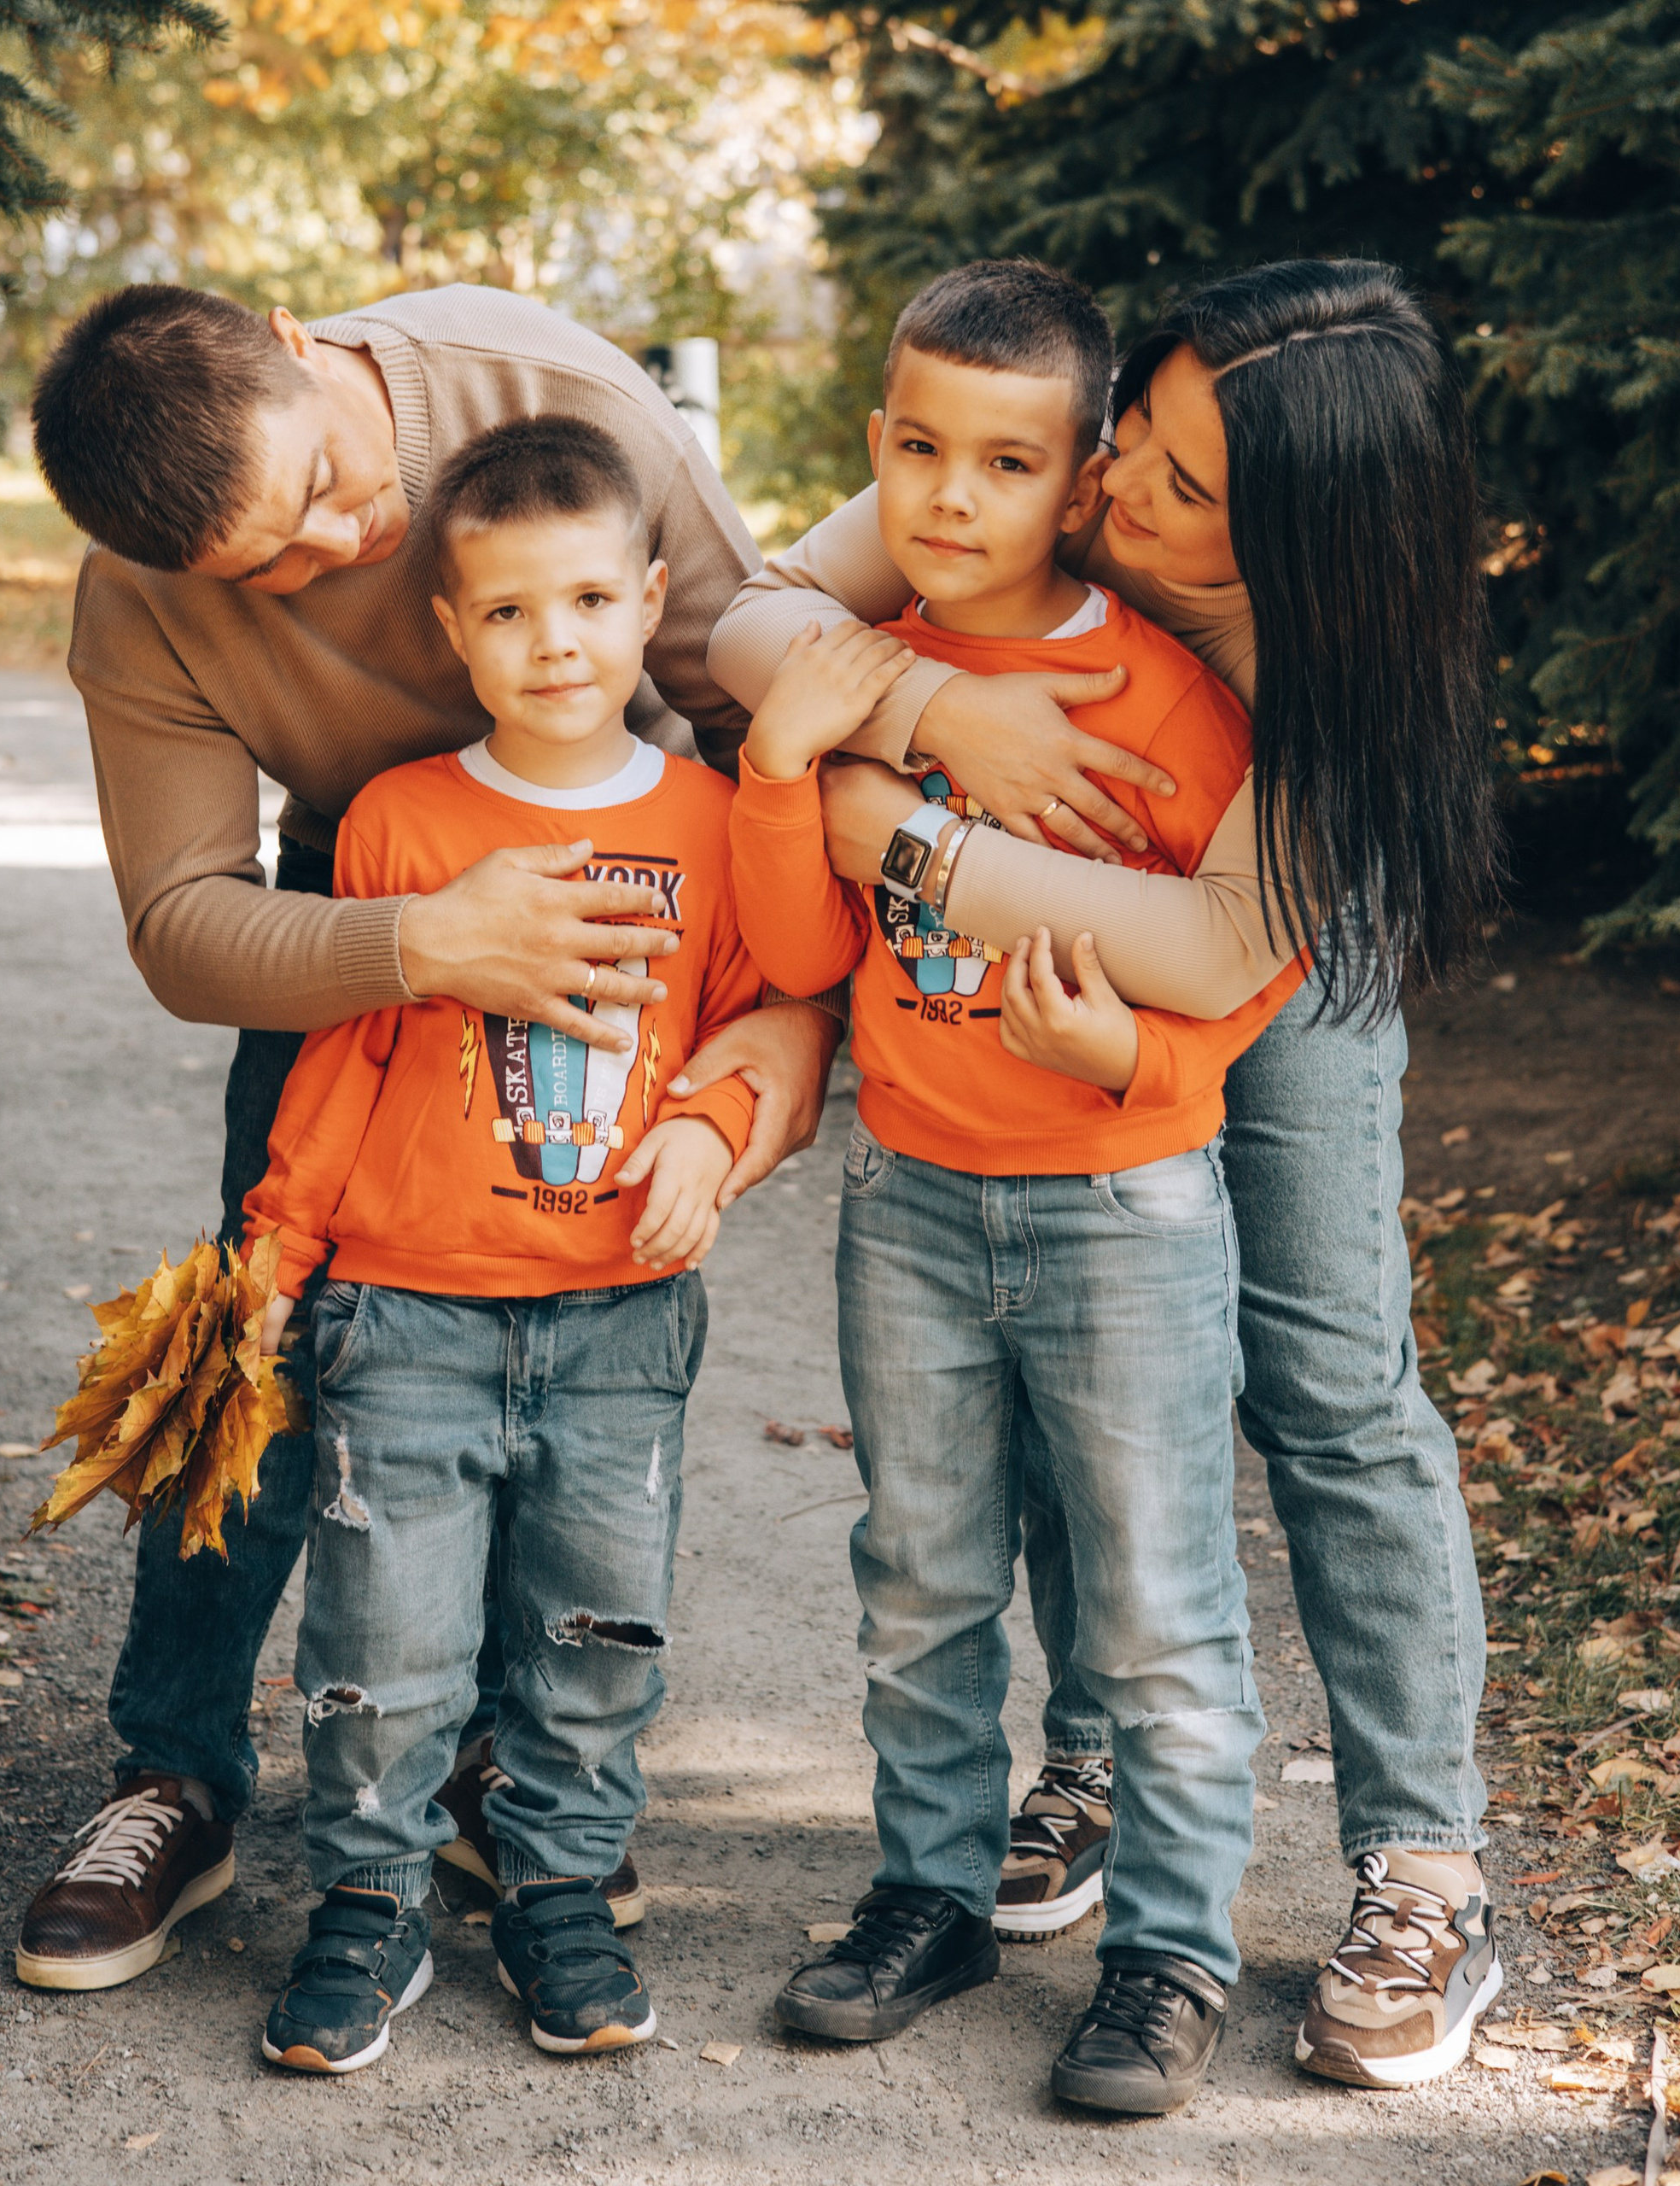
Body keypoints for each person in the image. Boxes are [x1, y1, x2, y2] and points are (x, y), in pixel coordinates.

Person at [709, 257, 1502, 2090]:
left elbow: (1210, 957)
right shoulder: (1051, 456)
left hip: (1264, 926)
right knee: (1060, 1326)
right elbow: (750, 619)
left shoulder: (1327, 662)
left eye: (1174, 488)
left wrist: (875, 825)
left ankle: (1418, 1863)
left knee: (1321, 1375)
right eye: (1130, 434)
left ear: (1298, 533)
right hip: (996, 884)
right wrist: (925, 711)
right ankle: (1086, 1757)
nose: (1112, 496)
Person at [12, 282, 842, 1994]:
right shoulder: (147, 597)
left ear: (296, 342)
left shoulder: (549, 389)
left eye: (322, 482)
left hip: (610, 863)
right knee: (257, 1331)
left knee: (565, 1409)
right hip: (370, 892)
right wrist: (421, 941)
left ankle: (497, 1772)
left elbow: (742, 677)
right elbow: (181, 924)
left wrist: (743, 1046)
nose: (335, 541)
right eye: (270, 560)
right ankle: (171, 1771)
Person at [239, 417, 767, 2069]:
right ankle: (370, 1904)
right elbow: (340, 1056)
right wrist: (276, 1246)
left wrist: (718, 1131)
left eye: (593, 602)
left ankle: (559, 1885)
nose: (558, 644)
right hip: (405, 1313)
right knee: (383, 1636)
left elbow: (761, 1028)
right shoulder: (398, 822)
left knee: (595, 1630)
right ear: (455, 629)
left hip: (620, 1316)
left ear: (650, 601)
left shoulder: (711, 819)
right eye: (513, 613)